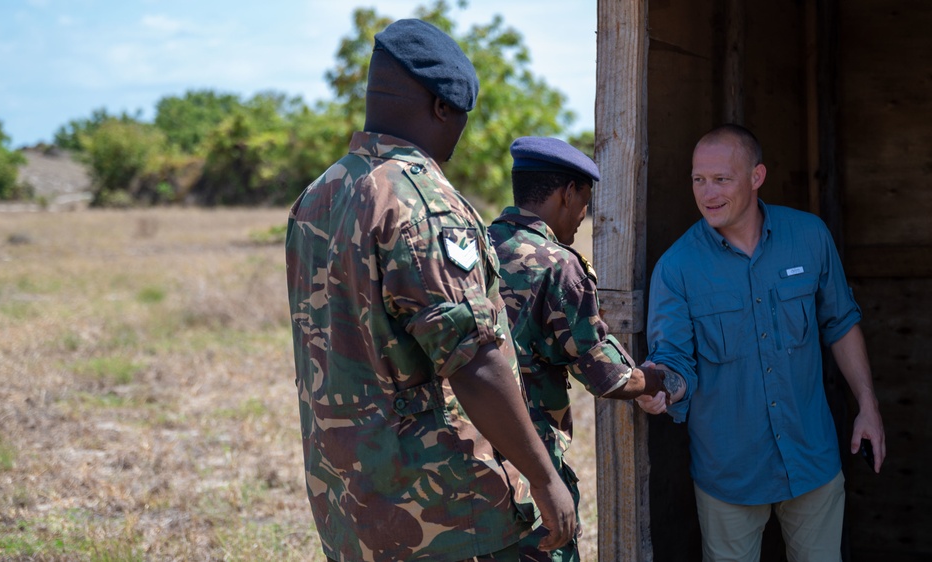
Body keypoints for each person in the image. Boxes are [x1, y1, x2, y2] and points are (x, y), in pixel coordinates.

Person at [285, 19, 575, 562]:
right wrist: (544, 477)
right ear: (443, 107)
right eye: (461, 118)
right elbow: (475, 362)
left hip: (350, 504)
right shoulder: (421, 202)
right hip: (446, 515)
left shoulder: (318, 195)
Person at [637, 124, 886, 562]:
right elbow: (672, 361)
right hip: (729, 474)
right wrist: (659, 387)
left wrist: (868, 405)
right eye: (698, 179)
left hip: (813, 459)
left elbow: (841, 323)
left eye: (721, 179)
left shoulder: (809, 236)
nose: (707, 192)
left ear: (756, 177)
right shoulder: (676, 268)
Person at [487, 136, 678, 561]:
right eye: (584, 202)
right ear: (567, 193)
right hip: (529, 465)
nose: (582, 215)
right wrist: (657, 378)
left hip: (468, 457)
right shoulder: (557, 264)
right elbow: (605, 375)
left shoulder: (477, 246)